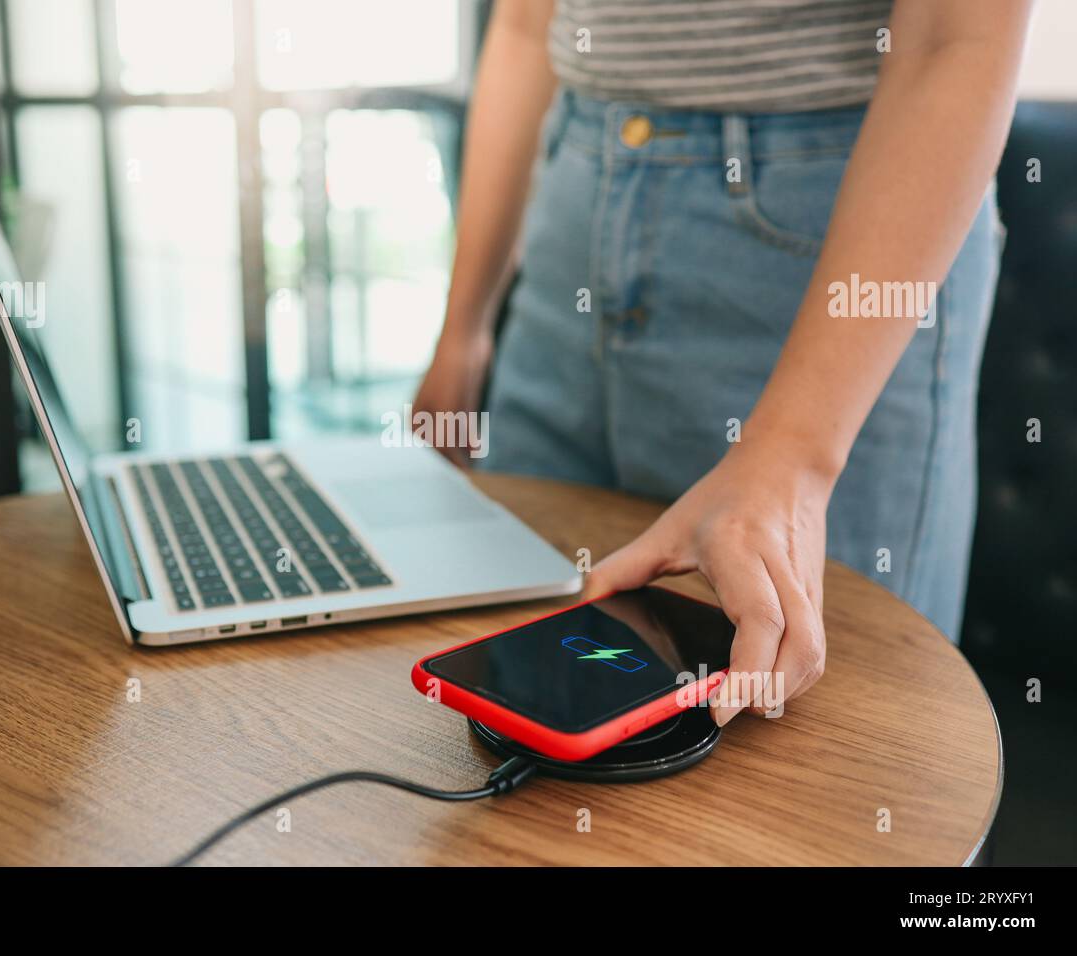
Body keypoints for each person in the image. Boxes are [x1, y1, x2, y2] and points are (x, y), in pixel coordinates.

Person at [413, 0, 1033, 725]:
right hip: (569, 204)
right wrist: (464, 329)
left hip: (837, 228)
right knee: (519, 707)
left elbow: (954, 41)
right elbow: (523, 23)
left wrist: (796, 459)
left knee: (810, 754)